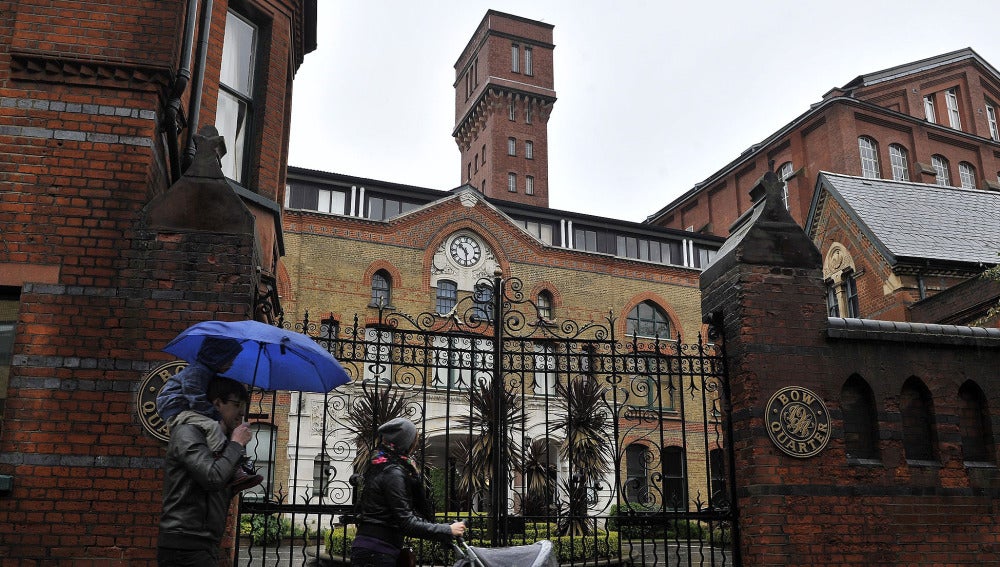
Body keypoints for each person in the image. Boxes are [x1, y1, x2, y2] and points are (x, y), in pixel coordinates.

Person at [157, 375, 254, 566]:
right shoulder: (188, 432)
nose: (241, 411)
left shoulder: (218, 440)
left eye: (244, 405)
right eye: (237, 404)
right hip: (184, 544)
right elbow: (212, 478)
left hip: (202, 543)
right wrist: (236, 444)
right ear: (217, 403)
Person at [351, 417, 466, 567]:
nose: (415, 444)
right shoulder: (393, 473)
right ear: (406, 443)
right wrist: (448, 529)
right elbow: (406, 522)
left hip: (373, 549)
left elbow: (415, 513)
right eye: (414, 439)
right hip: (376, 553)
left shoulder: (382, 465)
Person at [156, 337, 261, 491]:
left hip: (182, 407)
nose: (231, 364)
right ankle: (218, 457)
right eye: (229, 360)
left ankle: (233, 466)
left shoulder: (208, 373)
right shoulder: (198, 371)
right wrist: (215, 415)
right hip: (176, 407)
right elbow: (194, 395)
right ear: (217, 357)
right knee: (212, 426)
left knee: (216, 428)